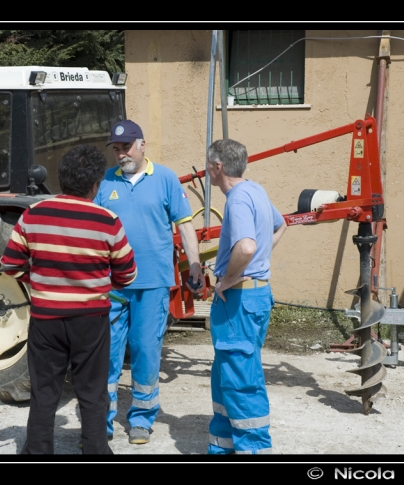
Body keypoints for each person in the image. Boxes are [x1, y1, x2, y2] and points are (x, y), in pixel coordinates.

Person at [1, 144, 137, 455]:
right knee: (91, 391)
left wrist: (35, 280)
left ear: (62, 179)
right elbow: (127, 274)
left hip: (46, 319)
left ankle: (37, 451)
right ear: (95, 184)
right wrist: (98, 283)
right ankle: (95, 450)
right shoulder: (108, 220)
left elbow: (9, 264)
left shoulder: (33, 215)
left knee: (44, 391)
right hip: (91, 320)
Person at [94, 119, 205, 445]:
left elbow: (185, 227)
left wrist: (194, 266)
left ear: (142, 145)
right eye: (116, 149)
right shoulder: (106, 182)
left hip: (152, 283)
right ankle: (102, 421)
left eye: (126, 147)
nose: (120, 154)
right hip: (113, 284)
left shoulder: (166, 179)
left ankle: (141, 419)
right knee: (107, 354)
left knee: (145, 349)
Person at [204, 138, 286, 455]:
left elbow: (247, 247)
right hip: (255, 296)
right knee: (228, 371)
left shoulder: (237, 199)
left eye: (208, 165)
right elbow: (280, 227)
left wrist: (227, 280)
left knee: (240, 378)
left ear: (217, 167)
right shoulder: (256, 190)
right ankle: (222, 446)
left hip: (238, 299)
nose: (207, 170)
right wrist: (257, 264)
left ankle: (253, 450)